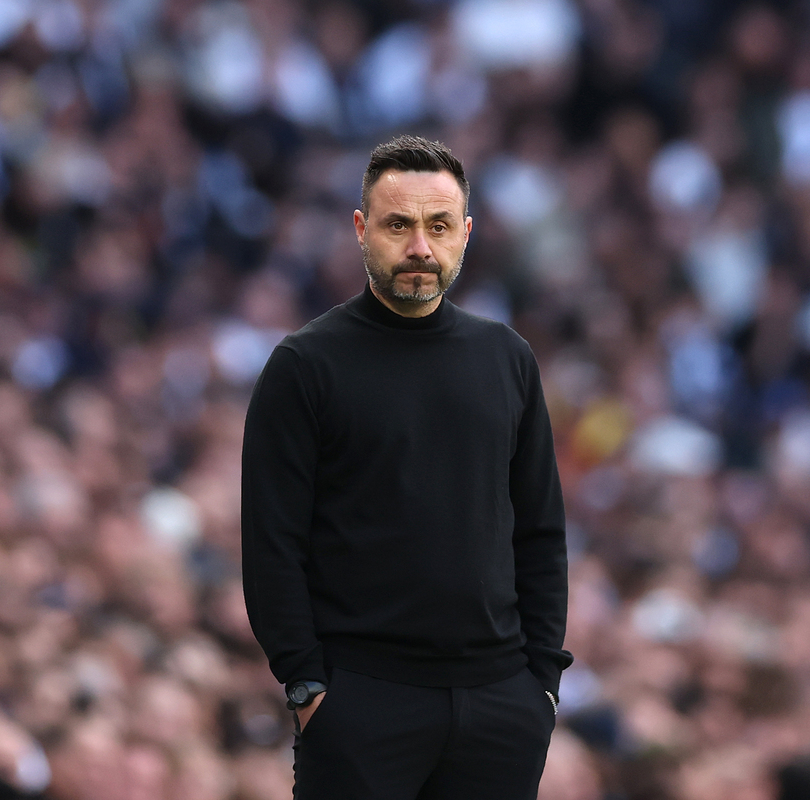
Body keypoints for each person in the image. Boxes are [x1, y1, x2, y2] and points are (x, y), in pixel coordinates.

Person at [241, 135, 572, 799]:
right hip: (362, 703)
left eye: (439, 226)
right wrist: (307, 685)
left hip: (500, 704)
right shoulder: (305, 365)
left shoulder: (507, 358)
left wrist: (539, 685)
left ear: (466, 233)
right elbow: (271, 543)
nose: (421, 246)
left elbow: (540, 530)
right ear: (361, 229)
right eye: (399, 225)